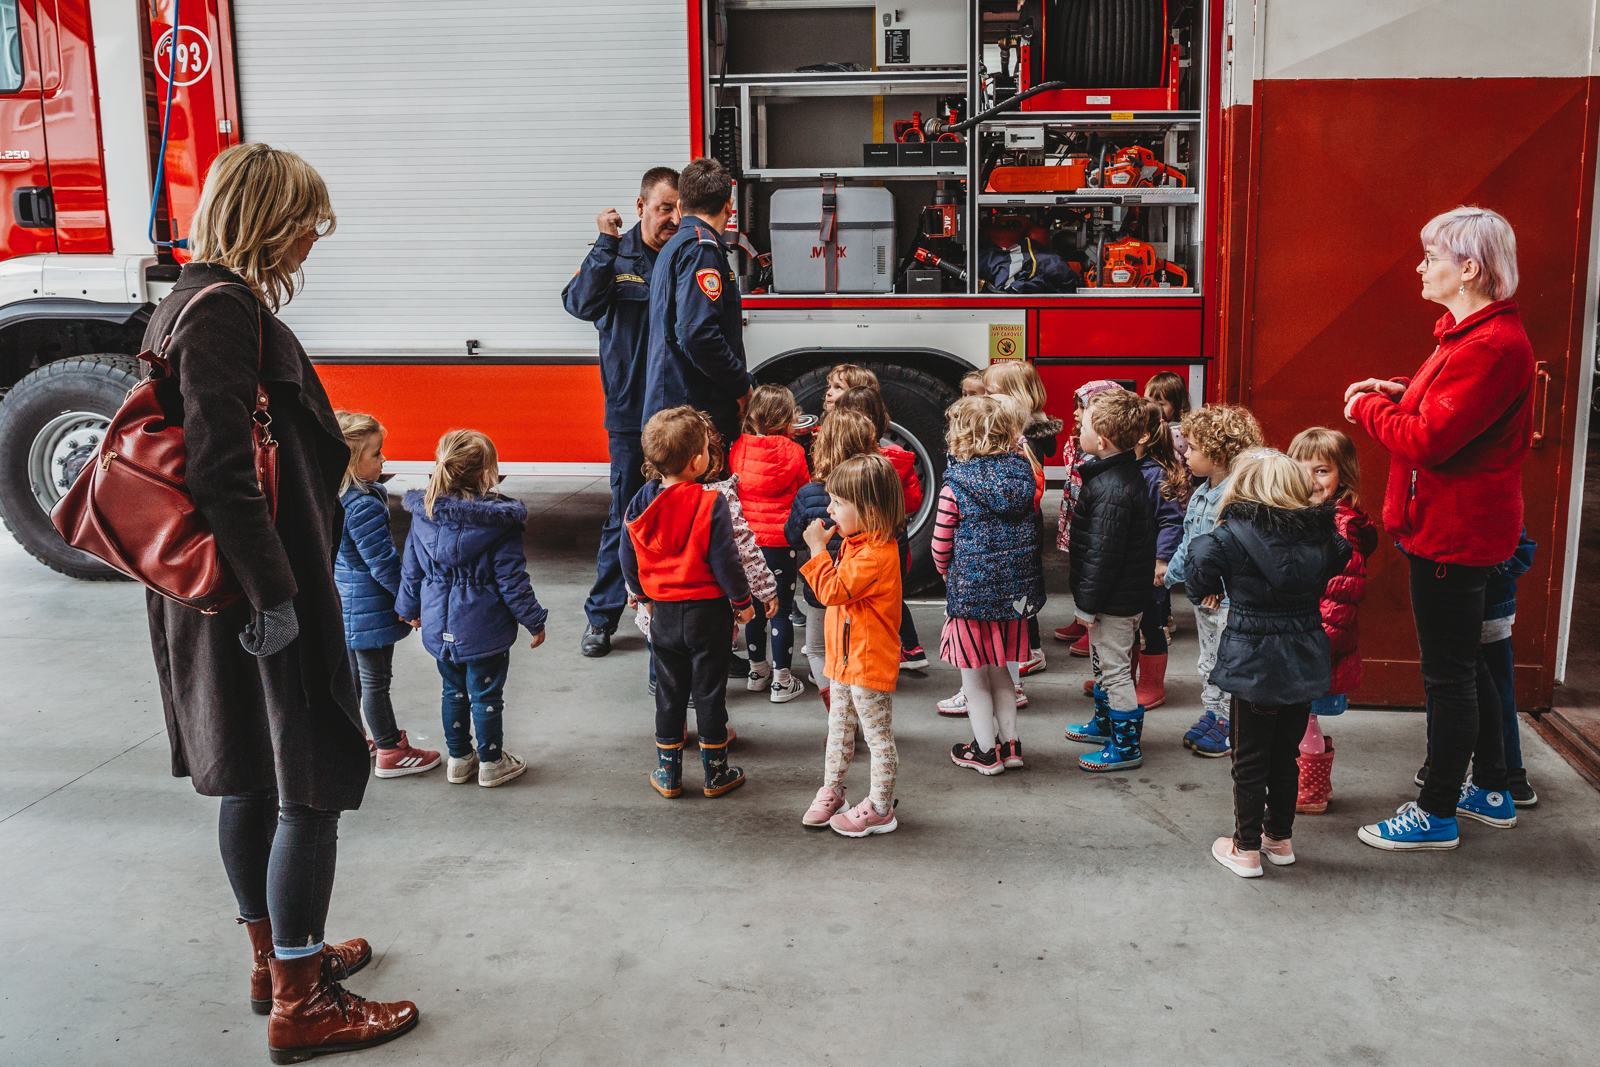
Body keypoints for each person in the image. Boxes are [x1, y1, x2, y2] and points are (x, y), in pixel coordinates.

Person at [141, 143, 418, 1060]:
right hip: (259, 588)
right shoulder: (223, 312)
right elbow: (223, 469)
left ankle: (277, 957)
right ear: (268, 219)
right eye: (307, 221)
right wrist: (275, 594)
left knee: (256, 771)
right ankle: (303, 1002)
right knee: (309, 782)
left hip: (220, 589)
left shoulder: (190, 297)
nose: (312, 238)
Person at [1344, 205, 1535, 851]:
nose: (1421, 266)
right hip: (1457, 527)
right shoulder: (1469, 335)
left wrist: (1369, 406)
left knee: (1448, 676)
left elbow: (1428, 439)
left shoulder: (1488, 344)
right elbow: (1450, 411)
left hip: (1455, 532)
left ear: (1470, 268)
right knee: (1471, 661)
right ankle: (1490, 787)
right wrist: (1398, 388)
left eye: (1432, 257)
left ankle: (1436, 812)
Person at [1185, 449, 1351, 878]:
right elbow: (1343, 553)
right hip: (1305, 655)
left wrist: (1212, 589)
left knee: (1248, 758)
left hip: (1253, 660)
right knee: (1284, 754)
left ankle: (1245, 849)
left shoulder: (1231, 535)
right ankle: (1279, 839)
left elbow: (1197, 566)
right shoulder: (1321, 535)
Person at [565, 167, 682, 658]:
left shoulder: (688, 252)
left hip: (678, 414)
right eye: (664, 208)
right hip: (631, 413)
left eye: (680, 208)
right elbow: (578, 303)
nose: (674, 217)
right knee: (625, 514)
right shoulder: (617, 255)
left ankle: (680, 620)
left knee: (685, 516)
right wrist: (604, 244)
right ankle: (602, 618)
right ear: (640, 208)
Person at [397, 430, 548, 789]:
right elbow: (513, 581)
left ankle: (459, 760)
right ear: (488, 472)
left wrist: (408, 609)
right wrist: (534, 620)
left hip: (438, 626)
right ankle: (493, 763)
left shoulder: (424, 514)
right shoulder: (499, 523)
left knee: (453, 691)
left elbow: (411, 569)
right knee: (486, 694)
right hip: (484, 629)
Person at [621, 406, 756, 799]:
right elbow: (726, 561)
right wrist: (743, 602)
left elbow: (625, 554)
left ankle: (669, 776)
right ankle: (716, 775)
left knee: (669, 692)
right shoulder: (710, 503)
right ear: (698, 461)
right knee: (709, 693)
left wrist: (640, 594)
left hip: (662, 613)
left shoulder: (640, 504)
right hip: (708, 615)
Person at [935, 396, 1045, 775]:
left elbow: (940, 543)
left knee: (973, 678)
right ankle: (1011, 745)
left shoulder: (956, 486)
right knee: (1002, 671)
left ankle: (985, 752)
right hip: (1015, 596)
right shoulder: (1022, 478)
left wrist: (946, 572)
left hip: (972, 597)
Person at [798, 453, 906, 837]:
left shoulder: (874, 555)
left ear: (871, 509)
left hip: (867, 662)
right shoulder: (857, 542)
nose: (829, 509)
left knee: (877, 739)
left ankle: (880, 808)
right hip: (846, 661)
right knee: (840, 727)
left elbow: (831, 591)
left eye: (839, 503)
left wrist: (815, 550)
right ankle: (834, 791)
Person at [334, 411, 438, 778]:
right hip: (370, 608)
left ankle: (349, 740)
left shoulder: (336, 494)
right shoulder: (361, 505)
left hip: (345, 602)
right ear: (351, 461)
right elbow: (383, 564)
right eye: (376, 454)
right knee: (376, 682)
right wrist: (410, 604)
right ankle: (391, 750)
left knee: (353, 680)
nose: (384, 460)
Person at [1062, 390, 1158, 772]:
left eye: (1083, 426)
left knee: (1116, 671)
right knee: (1105, 663)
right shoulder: (1117, 476)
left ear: (1101, 441)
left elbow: (1102, 555)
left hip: (1113, 601)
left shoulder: (1109, 489)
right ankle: (1105, 724)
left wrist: (1087, 604)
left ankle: (1125, 746)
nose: (1077, 430)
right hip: (1123, 597)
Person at [1164, 404, 1265, 757]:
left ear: (1219, 453)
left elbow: (1244, 552)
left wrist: (1220, 587)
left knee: (1228, 660)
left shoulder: (1240, 497)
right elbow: (1189, 543)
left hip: (1226, 601)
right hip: (1203, 597)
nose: (1185, 455)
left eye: (1192, 448)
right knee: (1208, 659)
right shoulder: (1202, 492)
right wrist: (1166, 576)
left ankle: (1229, 723)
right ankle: (1213, 712)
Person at [1287, 427, 1377, 815]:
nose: (1311, 480)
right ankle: (1311, 787)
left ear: (1344, 475)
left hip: (1316, 644)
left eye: (1322, 471)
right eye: (1301, 469)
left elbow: (1341, 595)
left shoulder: (1338, 525)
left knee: (1301, 719)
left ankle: (1309, 793)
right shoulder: (1312, 516)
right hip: (1307, 640)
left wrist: (1315, 646)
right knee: (1302, 719)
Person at [1416, 531, 1540, 807]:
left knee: (1467, 684)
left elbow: (1517, 547)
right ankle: (1444, 764)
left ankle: (1506, 774)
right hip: (1466, 596)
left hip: (1480, 602)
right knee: (1453, 683)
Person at [644, 157, 753, 449]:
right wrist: (741, 387)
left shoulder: (675, 247)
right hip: (695, 420)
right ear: (729, 208)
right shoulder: (701, 251)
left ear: (681, 206)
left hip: (677, 417)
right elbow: (697, 335)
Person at [787, 410, 883, 709]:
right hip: (864, 593)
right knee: (854, 653)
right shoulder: (876, 488)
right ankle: (859, 705)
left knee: (817, 650)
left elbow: (792, 536)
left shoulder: (810, 493)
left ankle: (838, 710)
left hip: (821, 591)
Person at [831, 383, 928, 669]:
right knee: (893, 593)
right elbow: (912, 501)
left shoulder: (845, 463)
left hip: (859, 541)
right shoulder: (896, 459)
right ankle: (911, 647)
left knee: (856, 597)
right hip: (894, 535)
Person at [730, 385, 810, 702]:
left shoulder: (738, 448)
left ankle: (756, 670)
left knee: (753, 610)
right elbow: (804, 492)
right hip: (781, 542)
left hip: (746, 544)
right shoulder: (794, 452)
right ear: (787, 418)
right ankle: (782, 680)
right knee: (781, 611)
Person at [984, 360, 1062, 678]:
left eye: (991, 393)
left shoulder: (1021, 442)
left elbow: (1025, 491)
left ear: (1012, 397)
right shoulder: (1032, 431)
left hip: (1020, 526)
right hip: (1028, 523)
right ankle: (1027, 647)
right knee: (1022, 587)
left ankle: (1031, 650)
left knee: (1021, 590)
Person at [1054, 379, 1124, 647]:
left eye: (1080, 407)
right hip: (1076, 514)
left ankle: (1092, 625)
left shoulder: (1101, 450)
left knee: (1093, 571)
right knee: (1078, 570)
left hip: (1096, 516)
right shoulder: (1077, 442)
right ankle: (1080, 615)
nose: (1074, 413)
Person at [1128, 398, 1187, 710]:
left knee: (1150, 626)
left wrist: (1161, 560)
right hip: (1126, 567)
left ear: (1143, 436)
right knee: (1127, 625)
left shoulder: (1155, 474)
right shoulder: (1125, 467)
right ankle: (1126, 678)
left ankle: (1152, 683)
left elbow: (1171, 520)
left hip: (1149, 569)